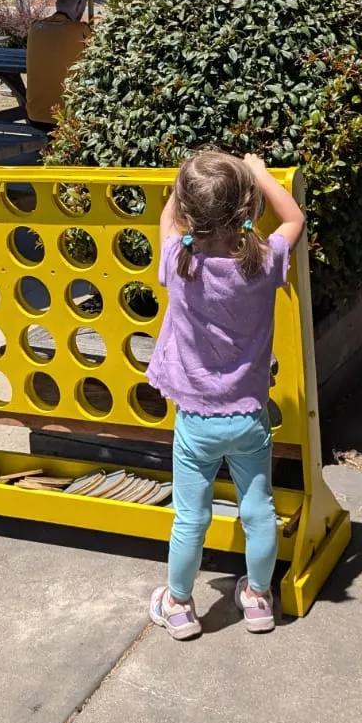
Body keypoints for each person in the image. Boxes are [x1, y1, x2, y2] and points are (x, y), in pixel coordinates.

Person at [146, 151, 306, 639]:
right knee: (258, 511)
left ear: (189, 213)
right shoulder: (267, 261)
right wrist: (258, 175)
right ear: (249, 208)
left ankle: (178, 604)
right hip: (249, 415)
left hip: (195, 419)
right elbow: (295, 216)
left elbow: (167, 219)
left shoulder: (179, 262)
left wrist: (186, 186)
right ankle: (258, 598)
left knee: (190, 516)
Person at [25, 0, 91, 127]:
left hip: (35, 116)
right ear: (79, 5)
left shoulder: (35, 28)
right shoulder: (81, 31)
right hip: (69, 119)